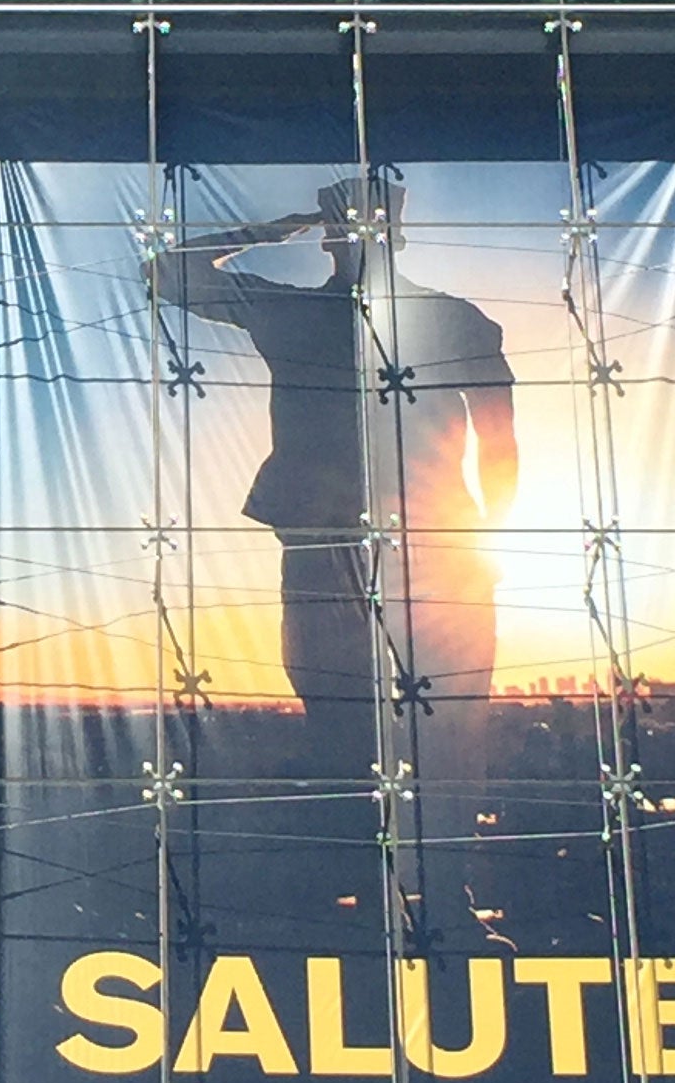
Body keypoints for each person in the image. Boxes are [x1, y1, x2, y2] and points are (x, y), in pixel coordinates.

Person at [168, 176, 516, 854]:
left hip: (405, 549)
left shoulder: (304, 313)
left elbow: (167, 273)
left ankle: (402, 875)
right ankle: (416, 875)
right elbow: (500, 447)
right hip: (403, 550)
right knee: (420, 723)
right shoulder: (446, 318)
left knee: (374, 719)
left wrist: (278, 228)